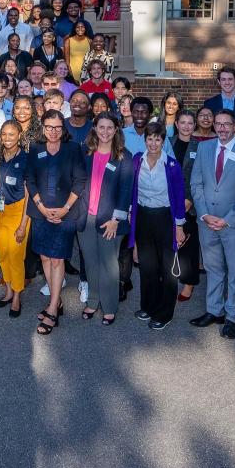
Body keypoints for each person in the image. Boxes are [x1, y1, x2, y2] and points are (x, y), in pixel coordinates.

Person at [189, 111, 235, 340]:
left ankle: (232, 317)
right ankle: (214, 311)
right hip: (207, 222)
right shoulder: (204, 148)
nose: (222, 128)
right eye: (218, 124)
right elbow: (196, 183)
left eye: (226, 124)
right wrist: (204, 214)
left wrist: (228, 218)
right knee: (213, 269)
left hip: (234, 225)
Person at [30, 110, 88, 336]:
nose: (53, 131)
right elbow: (30, 179)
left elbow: (80, 180)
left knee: (57, 259)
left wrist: (64, 209)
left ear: (63, 129)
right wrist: (41, 207)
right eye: (49, 127)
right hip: (41, 213)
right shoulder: (35, 148)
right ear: (43, 127)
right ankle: (57, 300)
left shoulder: (73, 149)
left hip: (65, 214)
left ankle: (53, 308)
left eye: (57, 127)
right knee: (45, 257)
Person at [129, 121, 188, 329]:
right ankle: (149, 306)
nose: (153, 143)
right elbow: (132, 190)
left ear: (163, 141)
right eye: (150, 139)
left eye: (157, 139)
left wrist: (179, 227)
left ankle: (164, 313)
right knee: (147, 265)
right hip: (143, 216)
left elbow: (179, 197)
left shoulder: (171, 165)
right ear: (145, 140)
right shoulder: (137, 161)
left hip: (166, 218)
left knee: (167, 267)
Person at [79, 113, 135, 325]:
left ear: (116, 130)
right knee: (91, 263)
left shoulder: (124, 156)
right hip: (85, 217)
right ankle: (93, 301)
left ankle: (109, 306)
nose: (105, 131)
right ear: (94, 128)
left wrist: (116, 220)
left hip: (110, 220)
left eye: (109, 127)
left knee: (109, 265)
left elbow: (126, 190)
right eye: (101, 127)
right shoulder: (85, 152)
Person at [0, 120, 32, 318]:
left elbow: (29, 193)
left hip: (17, 211)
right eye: (4, 134)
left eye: (12, 134)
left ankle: (17, 295)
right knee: (3, 253)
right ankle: (8, 291)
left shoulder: (26, 159)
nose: (7, 138)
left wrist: (23, 224)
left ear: (19, 136)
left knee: (16, 255)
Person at [169, 110, 202, 304]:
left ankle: (189, 283)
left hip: (189, 203)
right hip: (168, 200)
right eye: (183, 122)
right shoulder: (168, 143)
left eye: (190, 123)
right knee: (170, 242)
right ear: (177, 124)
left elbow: (201, 175)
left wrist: (190, 198)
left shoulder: (200, 147)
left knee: (189, 245)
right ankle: (170, 277)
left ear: (194, 125)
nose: (186, 126)